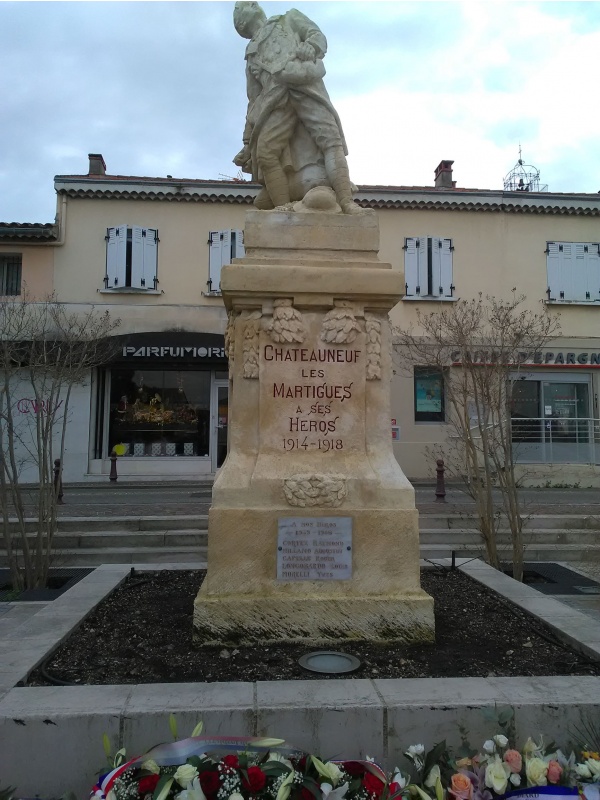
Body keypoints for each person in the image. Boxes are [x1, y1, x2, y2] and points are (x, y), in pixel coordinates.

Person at [233, 1, 361, 214]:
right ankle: (283, 207)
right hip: (276, 102)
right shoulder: (251, 55)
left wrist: (311, 46)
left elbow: (317, 36)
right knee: (265, 153)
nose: (249, 4)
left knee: (331, 140)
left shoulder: (290, 19)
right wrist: (247, 142)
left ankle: (347, 202)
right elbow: (253, 100)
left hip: (306, 86)